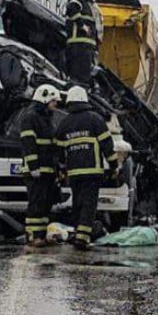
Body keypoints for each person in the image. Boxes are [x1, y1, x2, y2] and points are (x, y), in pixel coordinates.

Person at [55, 86, 118, 249]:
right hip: (92, 171)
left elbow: (58, 151)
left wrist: (61, 169)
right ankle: (82, 237)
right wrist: (114, 166)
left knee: (78, 202)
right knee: (89, 204)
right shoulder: (95, 119)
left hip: (74, 173)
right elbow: (107, 145)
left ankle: (78, 231)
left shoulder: (65, 123)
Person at [19, 84, 63, 247]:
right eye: (53, 101)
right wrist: (33, 166)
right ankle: (33, 235)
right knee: (36, 203)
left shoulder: (47, 119)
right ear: (44, 99)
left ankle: (41, 235)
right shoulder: (30, 118)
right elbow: (28, 144)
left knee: (45, 203)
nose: (55, 104)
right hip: (35, 171)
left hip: (47, 170)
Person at [64, 0, 101, 86]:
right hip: (79, 47)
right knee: (80, 78)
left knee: (85, 77)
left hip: (85, 47)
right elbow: (71, 8)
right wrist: (82, 26)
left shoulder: (86, 2)